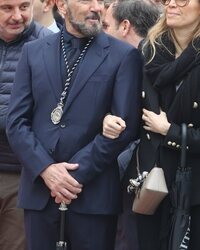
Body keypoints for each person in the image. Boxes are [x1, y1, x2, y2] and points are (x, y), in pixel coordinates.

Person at [102, 0, 200, 249]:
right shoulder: (148, 52)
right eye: (167, 0)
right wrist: (110, 120)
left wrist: (170, 131)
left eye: (181, 0)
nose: (171, 5)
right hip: (151, 183)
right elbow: (130, 114)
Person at [6, 0, 142, 249]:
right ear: (61, 5)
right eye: (86, 0)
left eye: (101, 1)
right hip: (39, 192)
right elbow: (16, 122)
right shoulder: (33, 51)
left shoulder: (124, 55)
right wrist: (46, 170)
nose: (97, 8)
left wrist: (73, 176)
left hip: (93, 194)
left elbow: (127, 126)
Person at [103, 1, 159, 249]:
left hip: (142, 180)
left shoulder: (152, 66)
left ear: (125, 26)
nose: (101, 33)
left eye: (106, 25)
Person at [0, 0, 52, 249]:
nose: (17, 16)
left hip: (22, 175)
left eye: (24, 6)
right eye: (6, 8)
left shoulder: (48, 45)